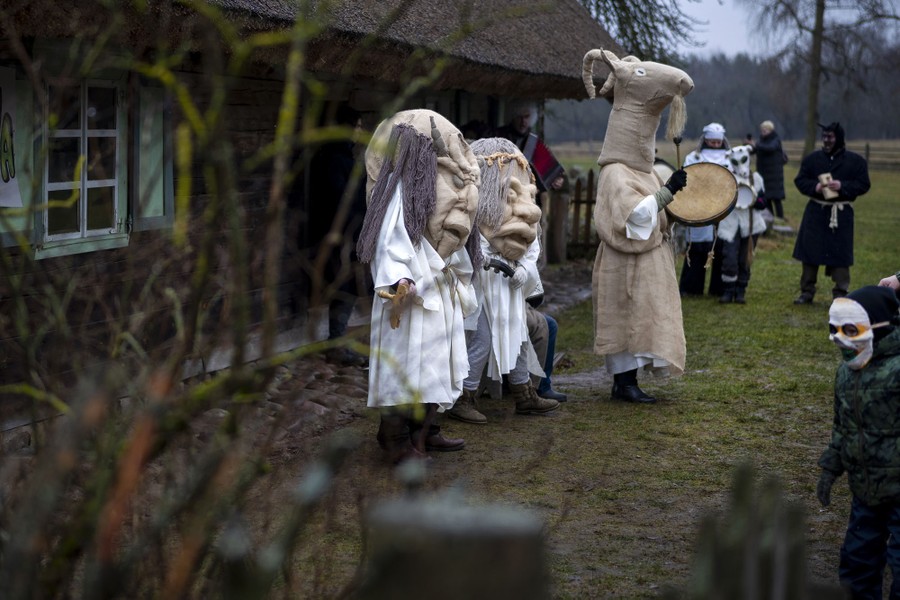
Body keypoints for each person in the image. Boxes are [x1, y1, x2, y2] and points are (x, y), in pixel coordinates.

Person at [356, 109, 481, 464]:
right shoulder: (396, 191)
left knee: (435, 363)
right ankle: (394, 437)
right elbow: (387, 238)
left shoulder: (443, 185)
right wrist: (400, 279)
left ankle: (426, 430)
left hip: (438, 283)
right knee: (405, 363)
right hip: (408, 293)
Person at [582, 48, 693, 404]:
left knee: (642, 314)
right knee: (625, 315)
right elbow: (635, 215)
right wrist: (666, 193)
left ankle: (630, 381)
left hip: (645, 261)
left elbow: (652, 210)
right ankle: (624, 383)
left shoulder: (640, 170)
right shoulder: (615, 172)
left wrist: (673, 200)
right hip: (624, 262)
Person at [447, 137, 560, 424]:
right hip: (482, 282)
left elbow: (532, 237)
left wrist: (524, 265)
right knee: (481, 338)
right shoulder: (474, 199)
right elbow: (470, 236)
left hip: (509, 284)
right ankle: (464, 397)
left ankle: (525, 396)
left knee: (518, 335)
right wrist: (483, 257)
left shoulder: (523, 196)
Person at [815, 285, 900, 599]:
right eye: (833, 330)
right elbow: (843, 427)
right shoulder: (845, 374)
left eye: (850, 330)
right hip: (865, 493)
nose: (840, 339)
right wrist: (830, 467)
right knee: (856, 564)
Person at [302, 103, 369, 366]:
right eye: (357, 126)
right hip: (337, 236)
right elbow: (343, 200)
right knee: (344, 287)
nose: (360, 131)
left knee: (345, 287)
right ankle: (336, 344)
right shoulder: (335, 159)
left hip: (339, 235)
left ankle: (337, 342)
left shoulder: (339, 156)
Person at [792, 122, 871, 304]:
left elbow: (864, 184)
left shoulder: (855, 161)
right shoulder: (813, 159)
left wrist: (843, 186)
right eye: (824, 136)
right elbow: (800, 180)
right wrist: (816, 186)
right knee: (810, 253)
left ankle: (840, 292)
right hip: (816, 212)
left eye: (830, 137)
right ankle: (807, 291)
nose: (826, 141)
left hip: (841, 214)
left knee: (840, 255)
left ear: (839, 138)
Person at [679, 123, 730, 297]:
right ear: (705, 140)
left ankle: (718, 288)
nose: (716, 145)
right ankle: (692, 287)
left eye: (718, 142)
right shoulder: (694, 157)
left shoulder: (730, 157)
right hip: (700, 205)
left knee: (721, 246)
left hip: (724, 204)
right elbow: (689, 177)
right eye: (712, 142)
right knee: (697, 247)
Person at [717, 143, 768, 304]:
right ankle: (728, 290)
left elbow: (763, 202)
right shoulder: (726, 179)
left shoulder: (756, 178)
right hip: (731, 224)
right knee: (729, 258)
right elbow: (718, 201)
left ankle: (740, 291)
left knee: (745, 258)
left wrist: (753, 200)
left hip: (751, 225)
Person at [493, 100, 565, 194]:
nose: (523, 122)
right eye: (519, 117)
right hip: (503, 192)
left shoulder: (533, 141)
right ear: (512, 117)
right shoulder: (499, 137)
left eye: (526, 117)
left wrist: (555, 179)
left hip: (528, 196)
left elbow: (552, 174)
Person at [748, 120, 786, 220]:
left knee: (776, 199)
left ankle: (780, 218)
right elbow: (755, 150)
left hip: (774, 174)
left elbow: (770, 148)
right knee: (767, 197)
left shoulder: (775, 139)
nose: (763, 132)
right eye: (762, 130)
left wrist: (756, 145)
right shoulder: (761, 140)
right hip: (763, 173)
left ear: (770, 130)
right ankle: (770, 217)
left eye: (765, 130)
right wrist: (748, 146)